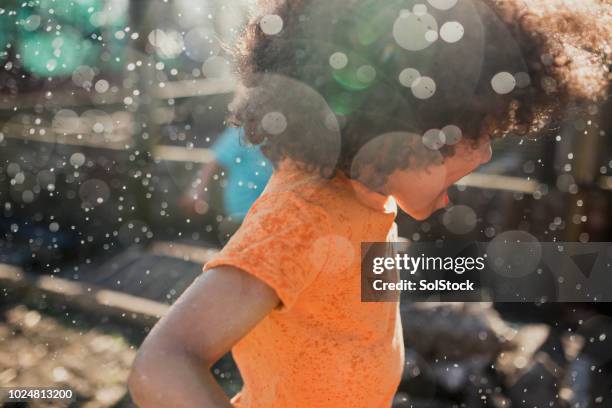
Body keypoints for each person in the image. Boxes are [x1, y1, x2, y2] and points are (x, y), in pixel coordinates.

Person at [128, 0, 611, 407]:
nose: (485, 153)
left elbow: (380, 279)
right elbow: (164, 361)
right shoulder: (301, 218)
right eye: (471, 132)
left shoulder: (364, 198)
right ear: (389, 123)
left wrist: (588, 274)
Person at [181, 126, 272, 238]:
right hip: (244, 207)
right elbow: (214, 160)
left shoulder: (280, 131)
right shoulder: (243, 131)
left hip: (267, 206)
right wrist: (197, 190)